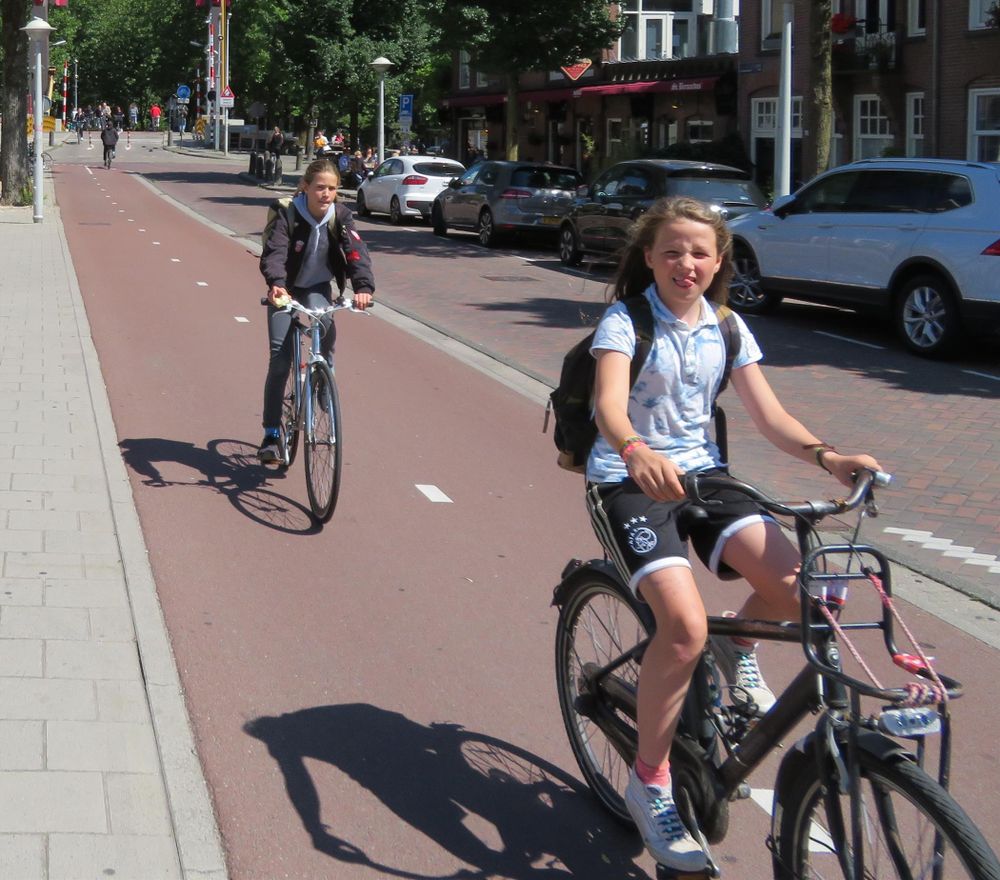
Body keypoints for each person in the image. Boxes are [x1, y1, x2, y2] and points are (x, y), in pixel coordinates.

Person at [584, 196, 879, 872]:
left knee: (801, 591)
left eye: (699, 252)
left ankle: (737, 646)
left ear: (719, 262)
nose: (685, 263)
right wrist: (633, 449)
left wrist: (829, 457)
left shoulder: (727, 325)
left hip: (703, 474)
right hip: (627, 477)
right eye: (672, 251)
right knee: (683, 627)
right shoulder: (625, 320)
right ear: (650, 257)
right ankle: (650, 782)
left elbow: (770, 417)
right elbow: (607, 404)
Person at [256, 159, 375, 463]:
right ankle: (271, 434)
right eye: (320, 187)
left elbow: (356, 252)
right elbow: (275, 252)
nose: (326, 194)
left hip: (317, 286)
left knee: (326, 330)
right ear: (305, 187)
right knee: (280, 359)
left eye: (332, 188)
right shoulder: (289, 214)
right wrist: (276, 284)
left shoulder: (341, 215)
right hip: (285, 289)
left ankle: (324, 379)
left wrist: (363, 287)